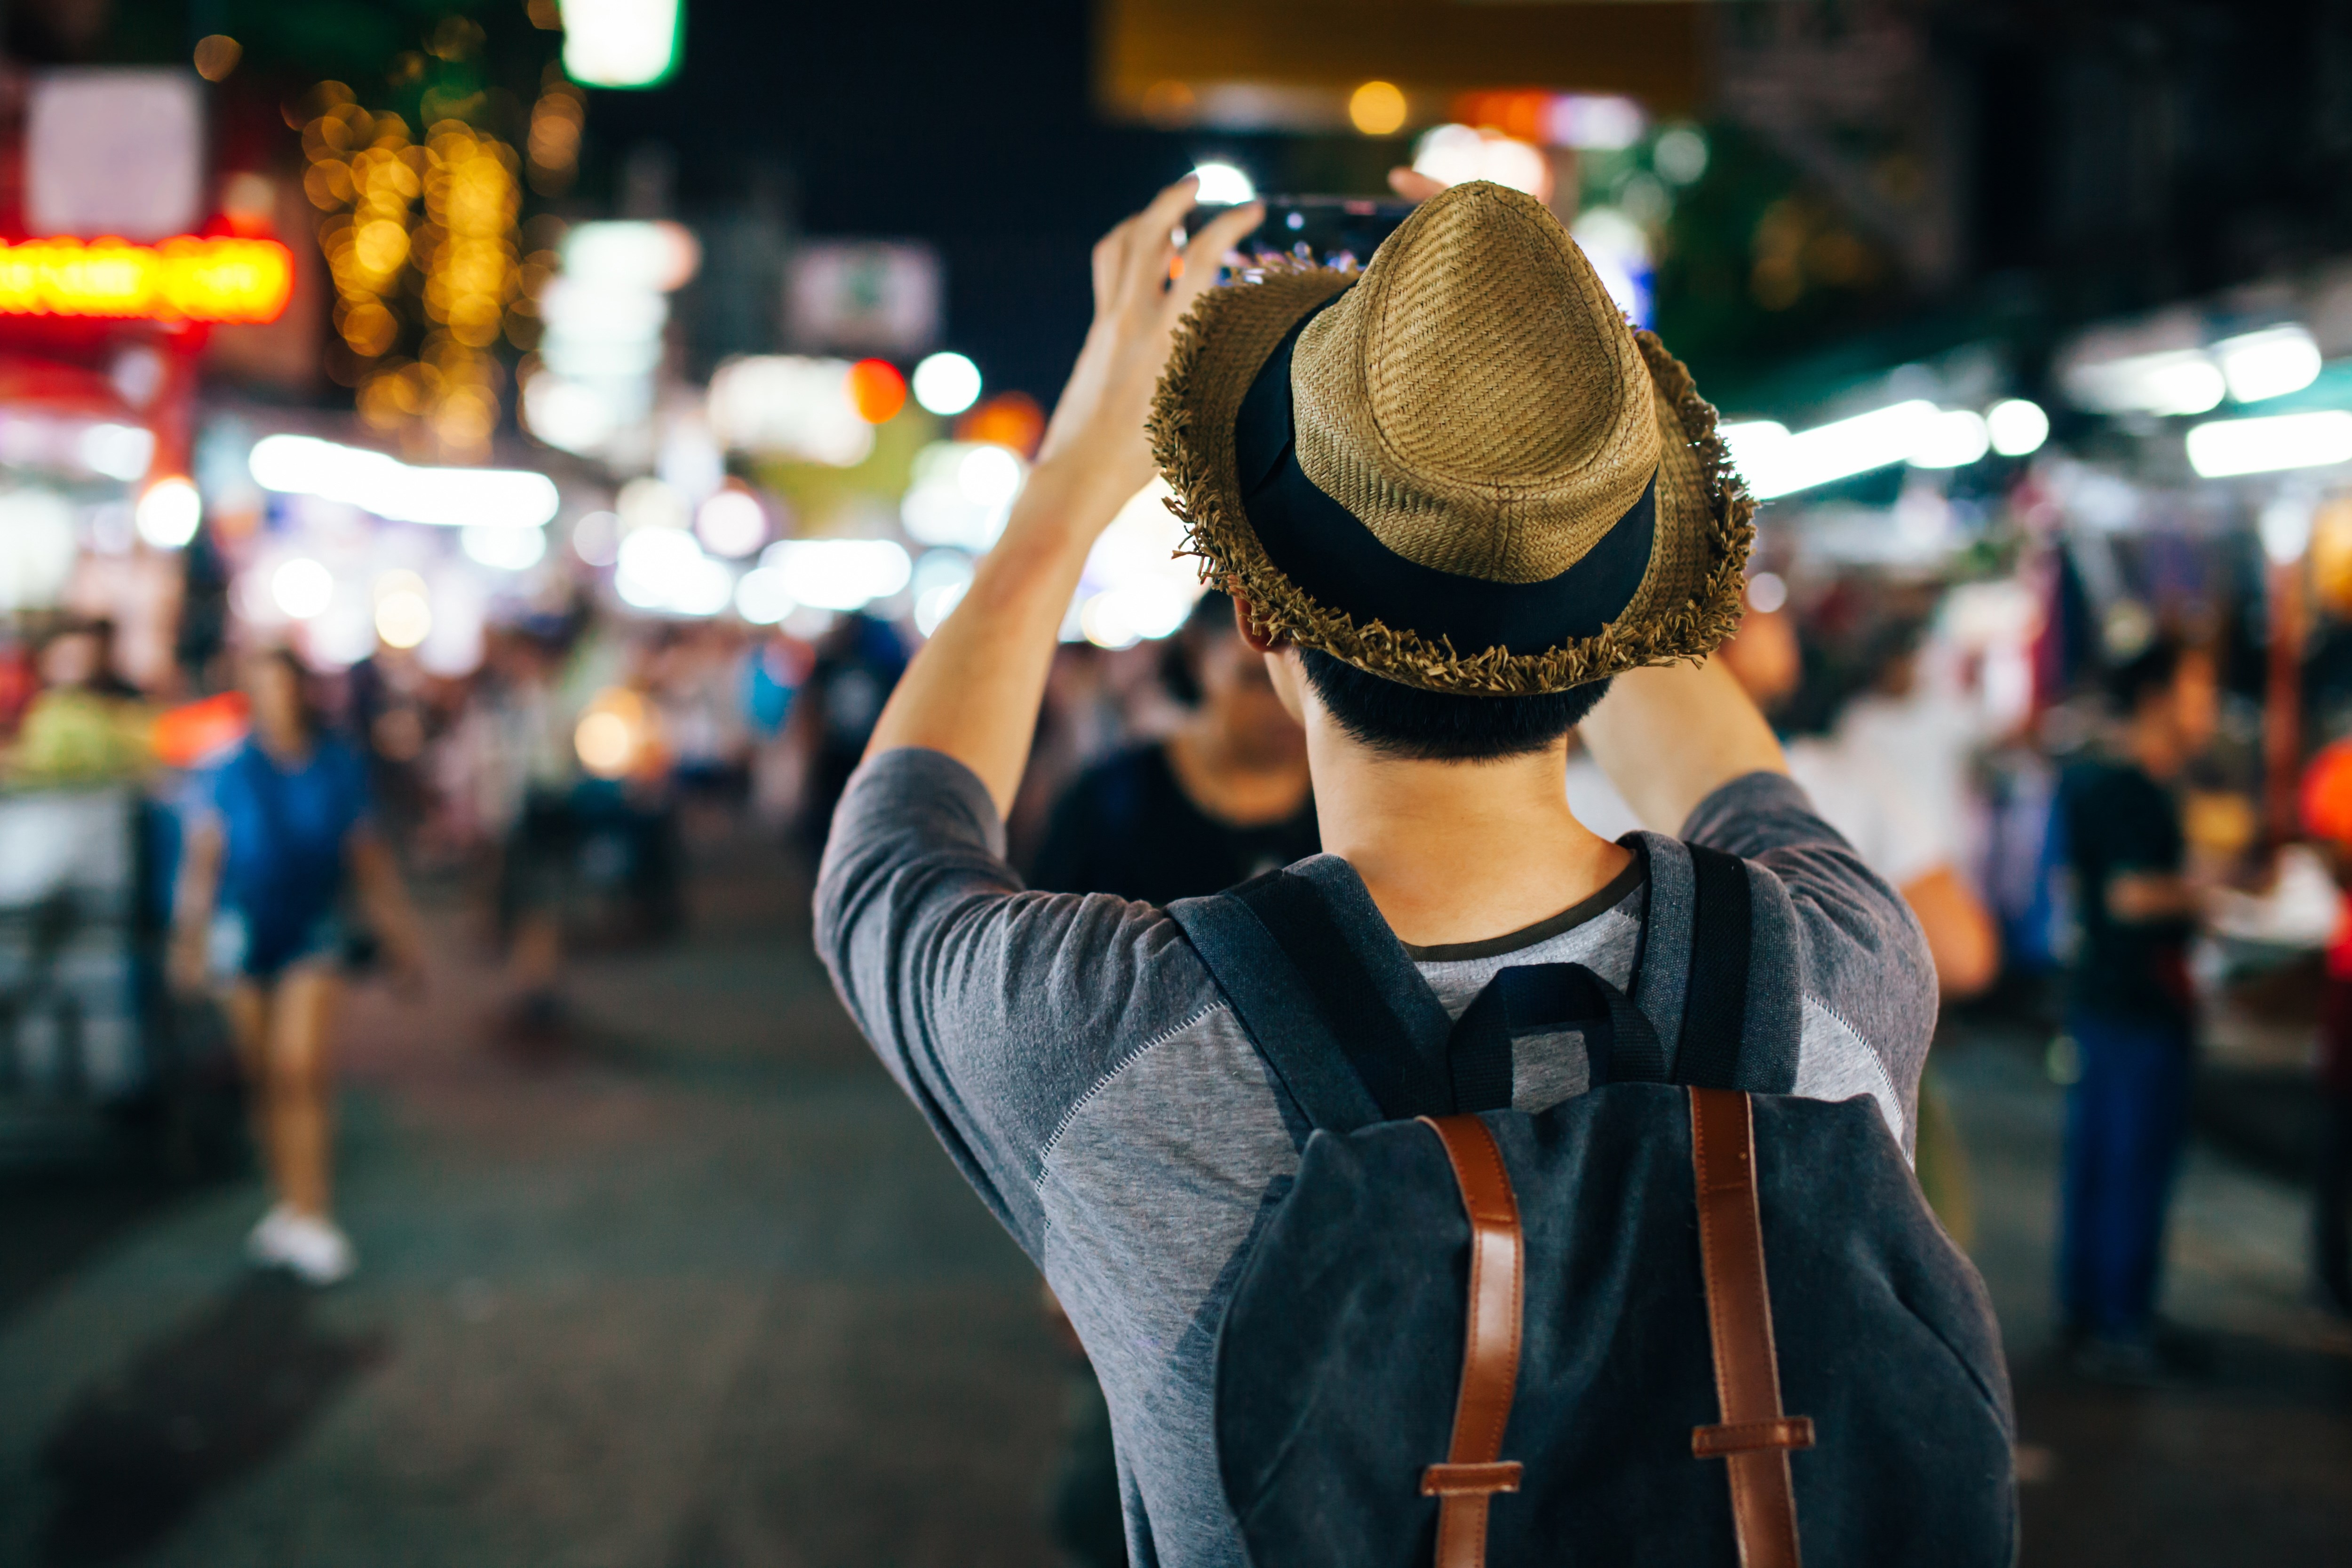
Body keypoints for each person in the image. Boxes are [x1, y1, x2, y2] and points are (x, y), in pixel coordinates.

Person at [815, 177, 1934, 1560]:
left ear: (1256, 615)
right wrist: (1534, 392)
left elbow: (883, 860)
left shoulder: (1110, 1037)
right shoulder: (1840, 971)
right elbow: (1733, 779)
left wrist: (1078, 471)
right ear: (1612, 619)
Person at [169, 647, 427, 1285]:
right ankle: (287, 1202)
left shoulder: (337, 766)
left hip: (313, 928)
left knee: (300, 1070)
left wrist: (400, 937)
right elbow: (204, 862)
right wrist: (189, 940)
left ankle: (314, 1211)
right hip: (242, 930)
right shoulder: (228, 770)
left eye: (283, 688)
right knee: (263, 1078)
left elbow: (368, 859)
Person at [2055, 635, 2217, 1377]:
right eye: (2198, 688)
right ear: (2159, 699)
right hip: (2131, 1003)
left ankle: (2104, 1312)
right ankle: (2115, 1322)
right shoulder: (2126, 787)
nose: (2207, 708)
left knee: (2110, 1159)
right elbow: (2125, 894)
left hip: (2122, 1000)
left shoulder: (2124, 782)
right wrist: (2211, 893)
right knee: (2126, 1161)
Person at [1032, 591, 1317, 904]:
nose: (1288, 707)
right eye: (1256, 679)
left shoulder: (1346, 801)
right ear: (1197, 654)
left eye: (1312, 684)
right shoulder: (1115, 799)